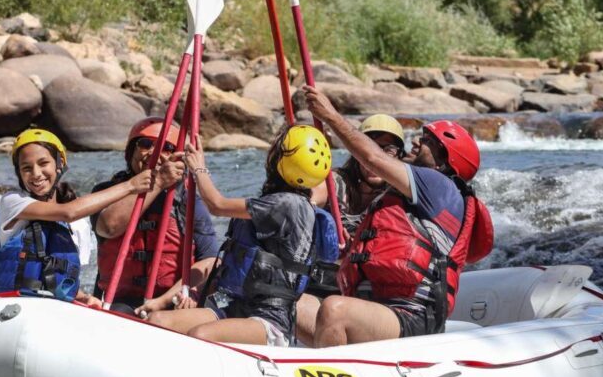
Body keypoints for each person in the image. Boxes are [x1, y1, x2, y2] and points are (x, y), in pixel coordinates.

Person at [303, 85, 494, 347]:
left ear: (442, 161)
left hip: (410, 315)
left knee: (334, 310)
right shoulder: (405, 197)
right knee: (292, 303)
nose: (416, 141)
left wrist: (330, 116)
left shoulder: (437, 185)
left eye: (427, 141)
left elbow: (372, 157)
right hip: (373, 307)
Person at [146, 125, 339, 347]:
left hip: (268, 320)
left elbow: (216, 205)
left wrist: (199, 168)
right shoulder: (286, 200)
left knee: (201, 336)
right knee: (158, 321)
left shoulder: (286, 205)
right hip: (233, 306)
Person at [0, 128, 153, 307]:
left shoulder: (79, 225)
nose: (36, 174)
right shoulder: (13, 202)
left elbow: (66, 277)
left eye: (43, 163)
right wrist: (130, 186)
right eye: (27, 168)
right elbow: (69, 212)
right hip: (11, 303)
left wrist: (83, 297)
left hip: (54, 307)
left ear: (59, 164)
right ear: (19, 173)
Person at [297, 113, 406, 346]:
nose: (375, 159)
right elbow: (313, 199)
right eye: (371, 147)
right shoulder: (335, 181)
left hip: (372, 294)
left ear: (399, 155)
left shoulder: (400, 196)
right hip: (326, 284)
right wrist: (314, 212)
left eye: (387, 150)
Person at [91, 117, 219, 314]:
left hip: (172, 298)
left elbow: (211, 259)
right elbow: (108, 227)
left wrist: (188, 292)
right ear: (131, 151)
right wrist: (158, 182)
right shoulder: (107, 191)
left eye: (167, 147)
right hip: (122, 301)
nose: (155, 152)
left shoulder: (188, 201)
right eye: (146, 144)